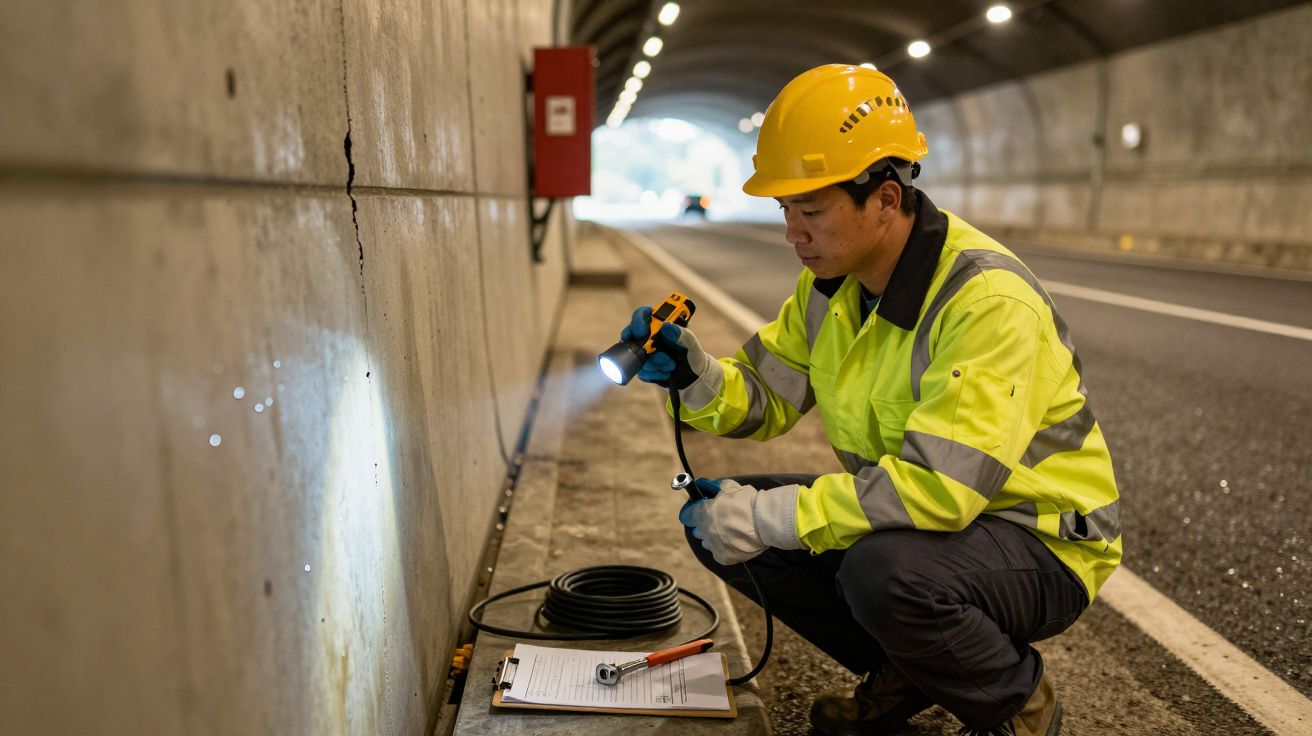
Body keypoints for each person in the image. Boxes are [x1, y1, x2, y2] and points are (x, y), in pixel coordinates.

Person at [618, 65, 1121, 736]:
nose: (793, 233)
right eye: (785, 211)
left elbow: (941, 490)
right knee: (723, 525)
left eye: (813, 212)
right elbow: (765, 398)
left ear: (885, 199)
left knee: (882, 575)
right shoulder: (833, 288)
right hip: (931, 525)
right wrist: (694, 373)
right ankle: (914, 671)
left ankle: (1019, 709)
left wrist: (772, 516)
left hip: (1042, 542)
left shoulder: (985, 301)